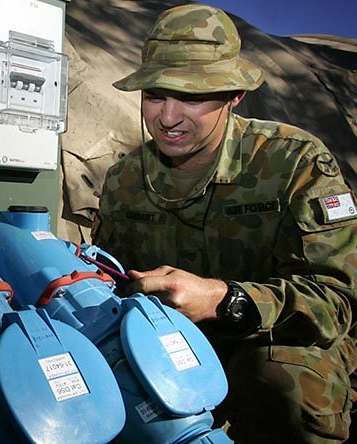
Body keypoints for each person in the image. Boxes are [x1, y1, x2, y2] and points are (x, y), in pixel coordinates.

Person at [92, 4, 357, 443]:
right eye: (155, 95)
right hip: (171, 345)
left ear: (234, 96)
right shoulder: (124, 180)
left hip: (281, 343)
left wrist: (226, 300)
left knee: (278, 379)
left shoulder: (294, 162)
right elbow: (112, 280)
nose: (168, 117)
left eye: (192, 97)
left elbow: (337, 300)